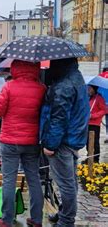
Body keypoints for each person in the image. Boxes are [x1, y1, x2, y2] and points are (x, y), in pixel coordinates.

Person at [0, 60, 46, 227]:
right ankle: (36, 219)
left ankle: (7, 219)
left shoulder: (9, 87)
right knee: (34, 179)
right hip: (32, 141)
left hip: (9, 140)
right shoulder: (42, 88)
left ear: (15, 68)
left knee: (9, 180)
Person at [40, 58, 90, 227]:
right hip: (73, 138)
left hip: (62, 142)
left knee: (66, 183)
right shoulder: (76, 77)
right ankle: (64, 213)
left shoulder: (64, 86)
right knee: (70, 181)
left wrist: (50, 145)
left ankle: (66, 220)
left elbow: (58, 118)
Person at [86, 85, 105, 163]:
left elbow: (104, 110)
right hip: (87, 123)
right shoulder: (88, 98)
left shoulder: (99, 98)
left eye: (90, 88)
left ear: (94, 89)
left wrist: (93, 116)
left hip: (95, 124)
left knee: (95, 143)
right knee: (87, 142)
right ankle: (89, 157)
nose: (88, 90)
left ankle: (96, 159)